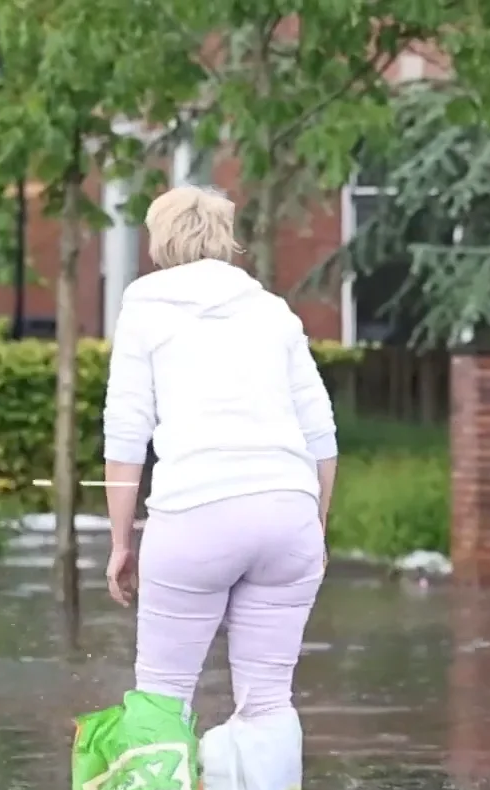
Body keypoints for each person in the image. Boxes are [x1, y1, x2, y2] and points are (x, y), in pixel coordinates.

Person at [100, 184, 338, 720]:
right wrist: (316, 525)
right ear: (225, 238)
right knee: (269, 702)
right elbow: (321, 434)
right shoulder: (273, 311)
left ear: (160, 240)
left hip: (195, 514)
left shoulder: (144, 309)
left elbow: (125, 434)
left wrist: (121, 542)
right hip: (286, 512)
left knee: (162, 699)